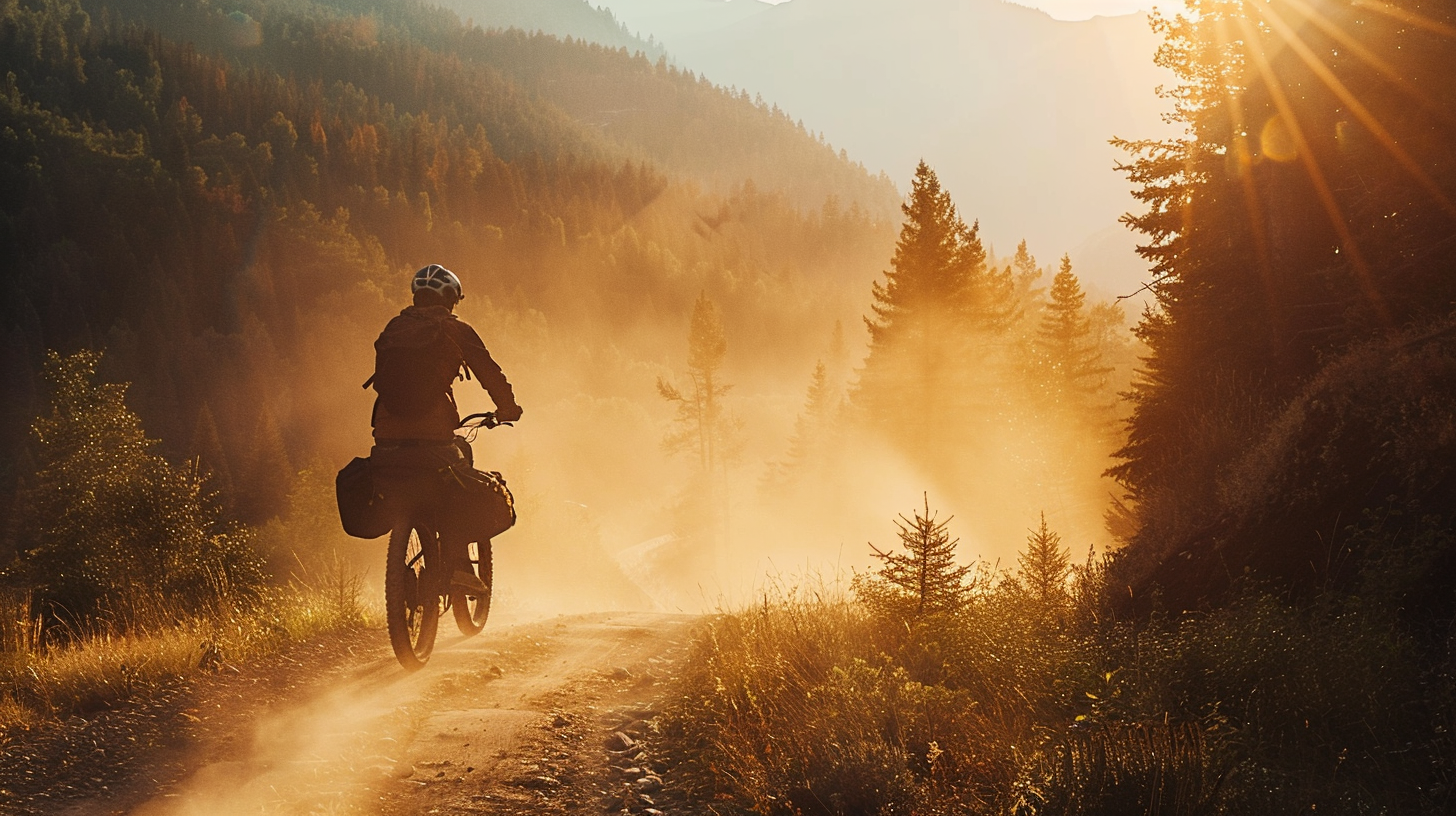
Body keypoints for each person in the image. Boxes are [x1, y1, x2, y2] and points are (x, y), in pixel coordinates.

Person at [368, 264, 522, 594]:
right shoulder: (456, 330)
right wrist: (508, 409)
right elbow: (489, 373)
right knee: (460, 470)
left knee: (406, 473)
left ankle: (407, 535)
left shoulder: (395, 328)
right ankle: (460, 566)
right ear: (451, 298)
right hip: (434, 435)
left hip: (385, 436)